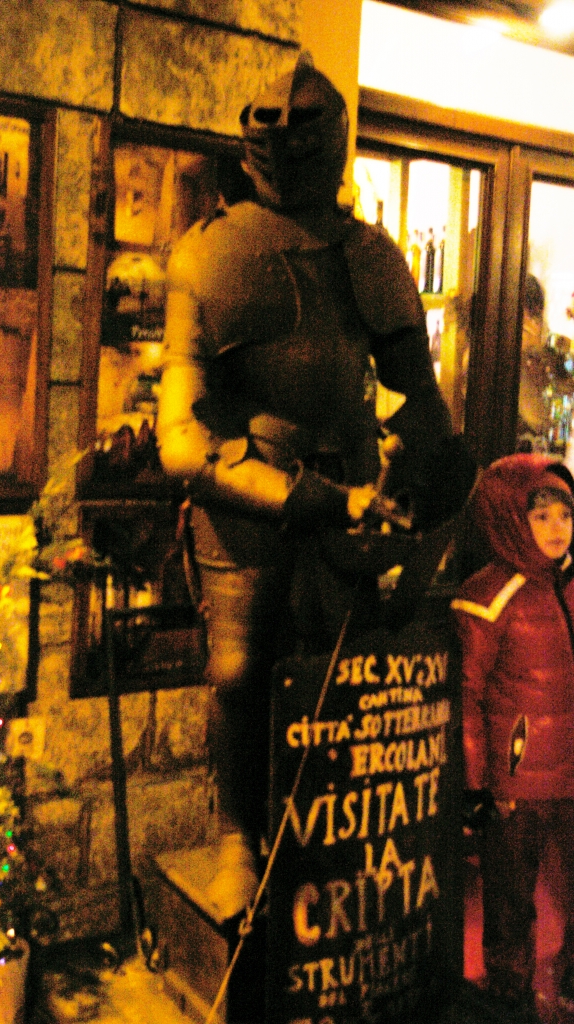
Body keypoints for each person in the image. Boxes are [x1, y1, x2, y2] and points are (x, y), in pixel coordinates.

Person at [156, 52, 475, 921]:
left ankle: (323, 839)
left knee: (344, 675)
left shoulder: (370, 255)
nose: (290, 145)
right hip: (248, 498)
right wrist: (308, 496)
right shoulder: (209, 254)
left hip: (356, 493)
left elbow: (419, 396)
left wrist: (425, 471)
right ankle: (239, 841)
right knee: (240, 672)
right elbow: (182, 437)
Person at [452, 453, 574, 1021]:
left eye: (565, 515)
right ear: (509, 518)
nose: (557, 528)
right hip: (516, 783)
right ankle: (509, 995)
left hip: (569, 772)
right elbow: (469, 693)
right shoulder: (489, 594)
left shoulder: (566, 586)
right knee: (510, 902)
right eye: (540, 515)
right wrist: (477, 783)